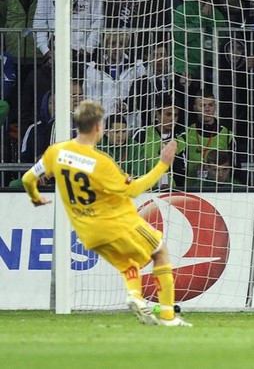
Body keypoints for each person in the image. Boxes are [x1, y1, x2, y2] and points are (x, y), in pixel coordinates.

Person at [21, 99, 192, 326]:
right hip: (114, 223)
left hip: (87, 232)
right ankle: (169, 317)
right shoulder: (100, 162)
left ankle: (136, 297)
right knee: (160, 251)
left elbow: (27, 178)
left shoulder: (56, 152)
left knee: (128, 264)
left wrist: (35, 197)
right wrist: (163, 164)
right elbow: (134, 190)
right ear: (98, 127)